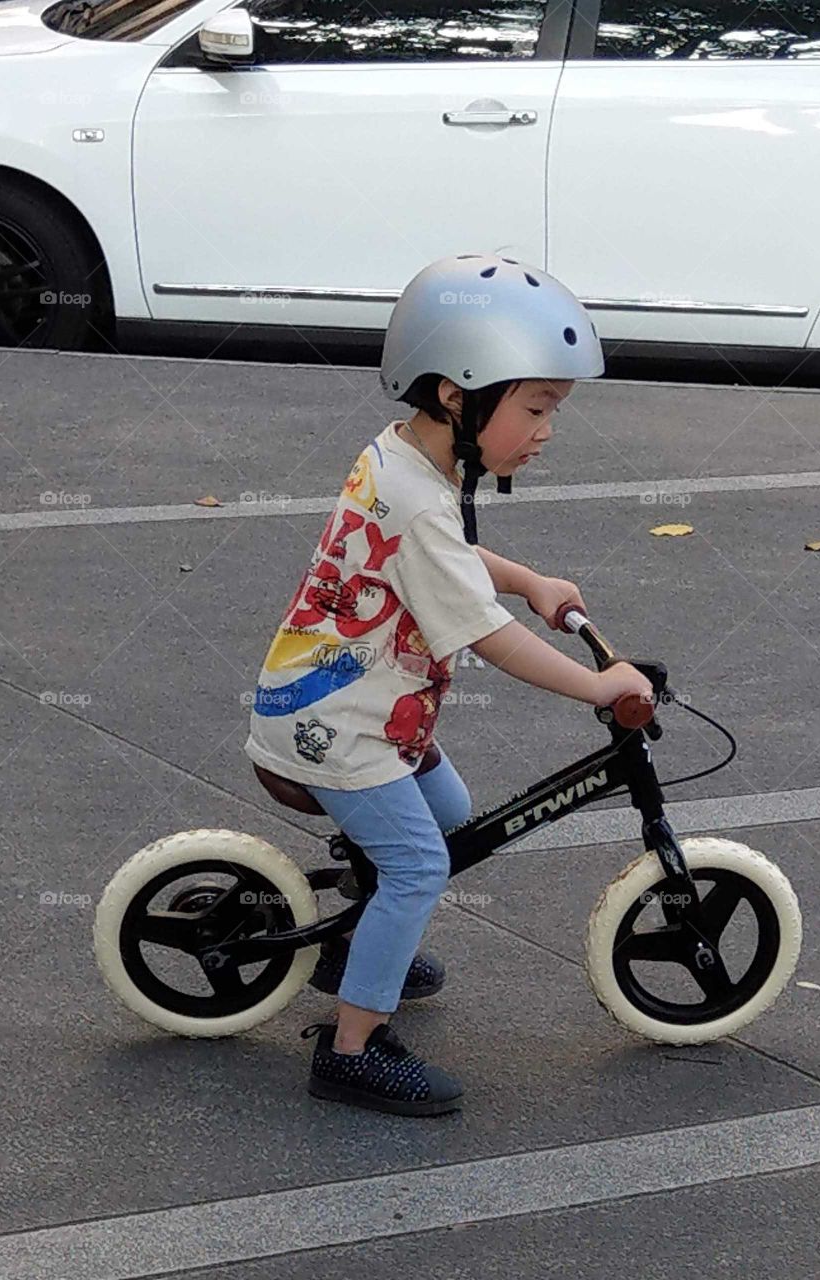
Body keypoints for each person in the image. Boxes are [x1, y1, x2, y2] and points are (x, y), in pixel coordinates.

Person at [243, 252, 653, 1117]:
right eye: (537, 407)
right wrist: (599, 685)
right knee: (421, 866)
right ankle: (351, 1050)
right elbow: (496, 643)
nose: (548, 429)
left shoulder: (403, 460)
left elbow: (445, 562)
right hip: (340, 730)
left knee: (451, 812)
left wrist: (526, 578)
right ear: (458, 395)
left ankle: (354, 941)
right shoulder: (425, 500)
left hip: (355, 706)